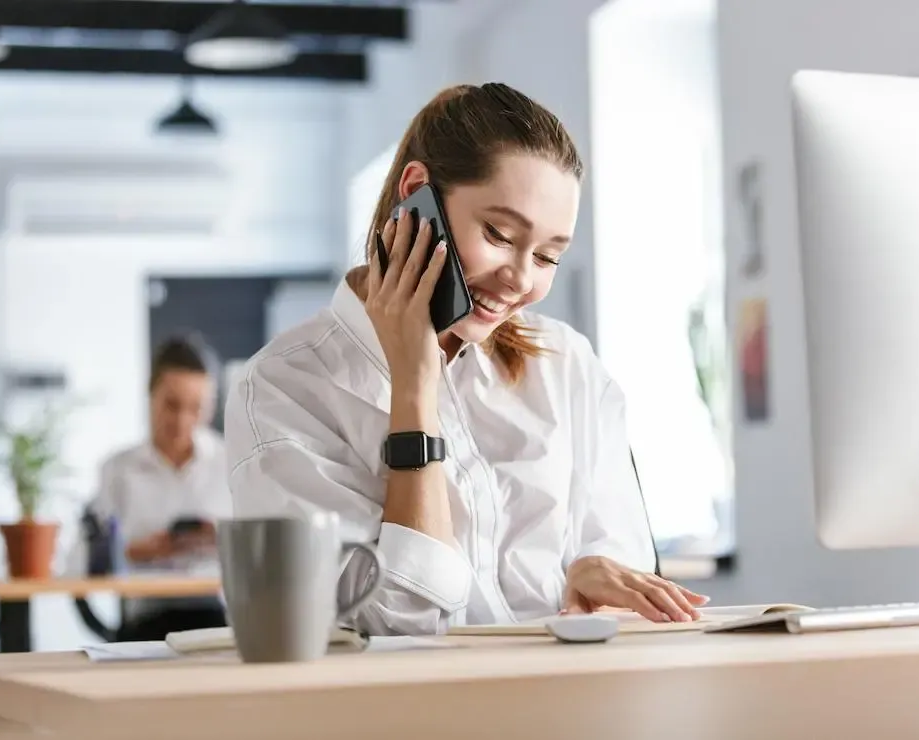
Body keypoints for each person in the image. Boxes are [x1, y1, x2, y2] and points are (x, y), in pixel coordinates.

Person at [225, 82, 709, 636]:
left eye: (549, 255)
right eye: (500, 234)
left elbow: (630, 587)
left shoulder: (566, 364)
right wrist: (413, 390)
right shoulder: (284, 388)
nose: (522, 279)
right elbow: (394, 624)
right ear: (417, 195)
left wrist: (596, 572)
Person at [89, 335, 229, 640]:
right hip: (146, 619)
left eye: (196, 408)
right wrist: (132, 552)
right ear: (150, 395)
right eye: (172, 405)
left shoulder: (231, 463)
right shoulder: (118, 470)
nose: (183, 420)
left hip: (219, 616)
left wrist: (222, 539)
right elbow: (83, 560)